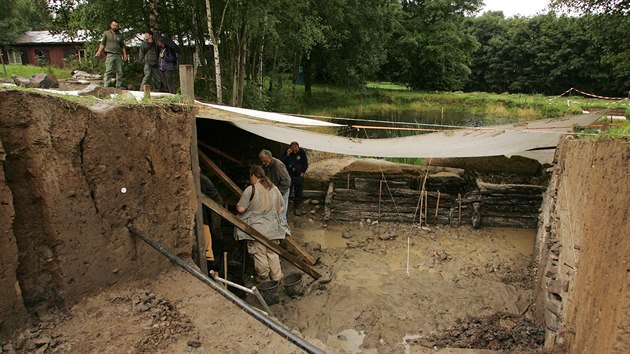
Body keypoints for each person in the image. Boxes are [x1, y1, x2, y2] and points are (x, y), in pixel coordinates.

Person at [234, 166, 288, 283]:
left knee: (259, 254)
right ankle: (277, 277)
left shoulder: (250, 189)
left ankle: (265, 279)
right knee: (272, 253)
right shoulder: (274, 188)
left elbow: (241, 209)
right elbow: (281, 207)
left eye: (250, 177)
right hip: (273, 228)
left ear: (253, 176)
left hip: (256, 229)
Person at [259, 149, 291, 223]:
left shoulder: (278, 165)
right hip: (273, 190)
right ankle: (275, 229)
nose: (263, 163)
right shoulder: (265, 165)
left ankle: (284, 231)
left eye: (265, 161)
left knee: (281, 212)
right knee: (273, 212)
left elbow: (287, 181)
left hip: (282, 190)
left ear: (269, 158)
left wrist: (279, 193)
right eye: (262, 161)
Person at [200, 174, 224, 272]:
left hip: (215, 202)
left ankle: (218, 255)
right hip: (207, 202)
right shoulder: (200, 178)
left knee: (215, 229)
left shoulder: (200, 179)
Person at [95, 20, 127, 88]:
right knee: (108, 70)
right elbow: (103, 43)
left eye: (116, 26)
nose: (115, 27)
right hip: (110, 54)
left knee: (119, 71)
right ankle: (106, 86)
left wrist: (124, 54)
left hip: (118, 54)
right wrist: (99, 51)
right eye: (114, 25)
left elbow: (123, 46)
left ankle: (118, 86)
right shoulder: (106, 33)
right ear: (111, 25)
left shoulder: (120, 35)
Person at [281, 141, 308, 211]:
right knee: (288, 190)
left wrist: (303, 172)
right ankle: (286, 204)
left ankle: (297, 205)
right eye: (293, 150)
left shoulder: (302, 152)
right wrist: (287, 154)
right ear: (291, 148)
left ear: (298, 147)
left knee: (298, 190)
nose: (295, 152)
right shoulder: (288, 152)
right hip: (289, 175)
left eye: (296, 150)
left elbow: (305, 163)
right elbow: (282, 163)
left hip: (298, 175)